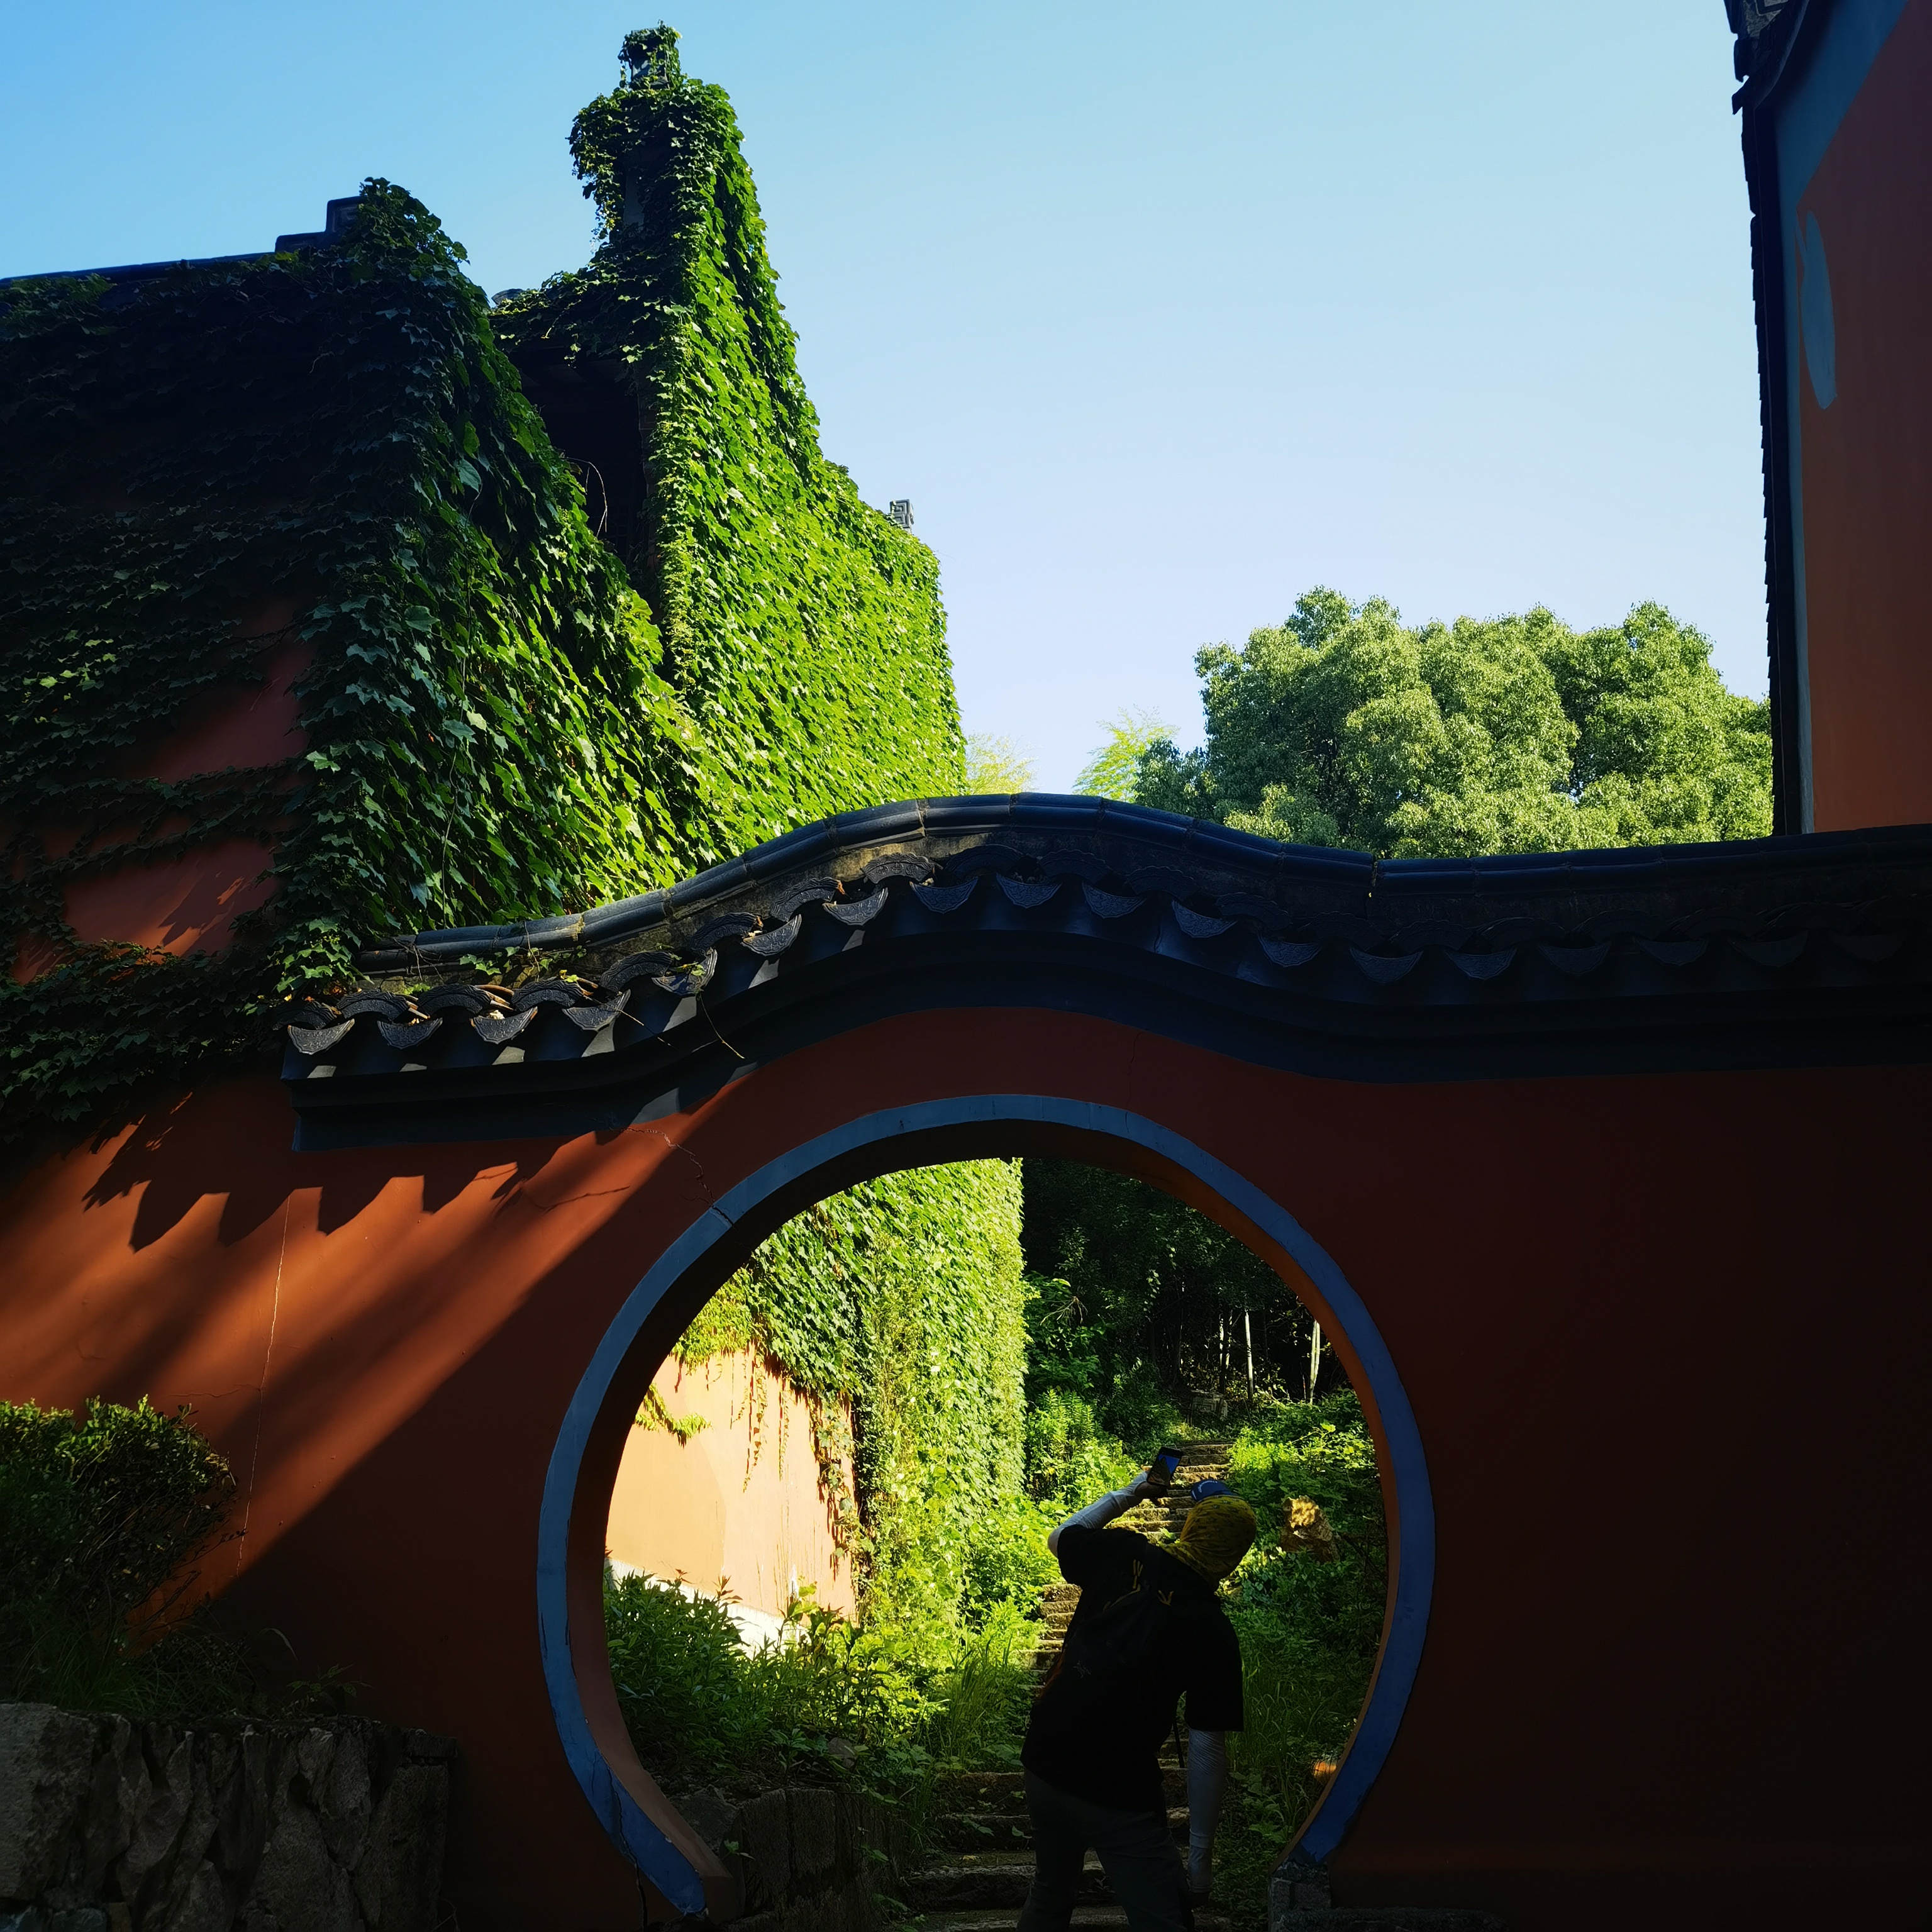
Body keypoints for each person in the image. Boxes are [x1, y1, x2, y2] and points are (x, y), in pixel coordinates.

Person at [1019, 1467, 1257, 1931]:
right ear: (1234, 1554)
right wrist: (1200, 1858)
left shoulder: (1125, 1553)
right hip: (1118, 1787)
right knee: (1163, 1920)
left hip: (1045, 1756)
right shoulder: (1212, 1629)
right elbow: (1207, 1748)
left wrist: (1131, 1493)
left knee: (1050, 1893)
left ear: (1191, 1528)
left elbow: (1060, 1537)